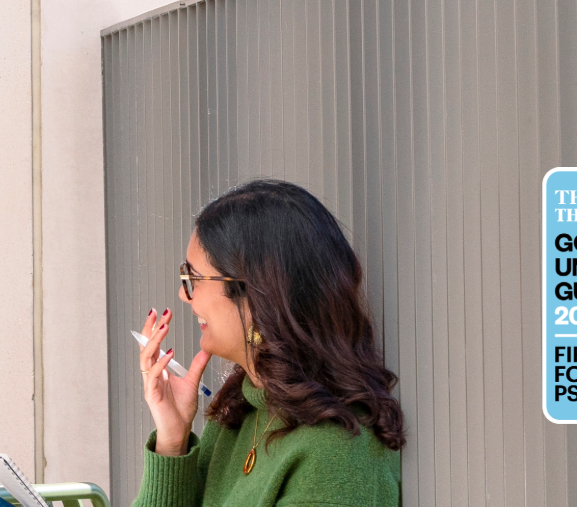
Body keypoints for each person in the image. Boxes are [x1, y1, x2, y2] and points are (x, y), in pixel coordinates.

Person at [129, 179, 402, 507]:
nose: (183, 295)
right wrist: (172, 442)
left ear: (259, 293)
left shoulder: (337, 453)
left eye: (194, 278)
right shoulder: (239, 413)